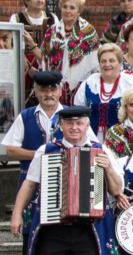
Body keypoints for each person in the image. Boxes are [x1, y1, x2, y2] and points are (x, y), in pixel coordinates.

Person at [10, 106, 122, 255]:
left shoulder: (101, 150)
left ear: (87, 126)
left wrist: (108, 168)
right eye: (69, 123)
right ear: (61, 126)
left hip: (89, 229)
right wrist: (17, 214)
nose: (74, 127)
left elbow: (116, 190)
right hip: (53, 228)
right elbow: (29, 184)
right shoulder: (47, 150)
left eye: (79, 123)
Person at [41, 0, 102, 105]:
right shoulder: (52, 31)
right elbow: (44, 59)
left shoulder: (88, 32)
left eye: (72, 8)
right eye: (65, 7)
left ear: (79, 11)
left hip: (81, 85)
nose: (67, 11)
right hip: (54, 86)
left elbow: (95, 64)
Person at [74, 44, 133, 141]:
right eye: (103, 61)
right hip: (90, 138)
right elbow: (78, 112)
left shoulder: (129, 84)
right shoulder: (89, 83)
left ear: (120, 63)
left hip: (122, 140)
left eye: (111, 61)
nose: (107, 64)